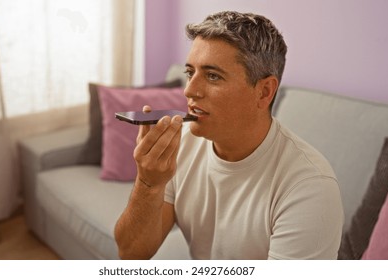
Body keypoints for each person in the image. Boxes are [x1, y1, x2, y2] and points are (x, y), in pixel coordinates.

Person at [114, 11, 344, 260]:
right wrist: (149, 184)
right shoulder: (183, 144)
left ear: (264, 91)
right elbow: (131, 254)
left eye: (213, 76)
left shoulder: (309, 187)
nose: (190, 91)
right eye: (190, 73)